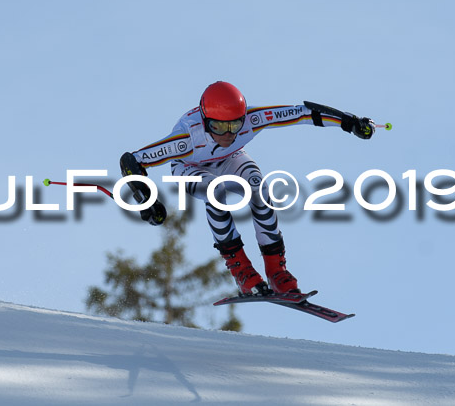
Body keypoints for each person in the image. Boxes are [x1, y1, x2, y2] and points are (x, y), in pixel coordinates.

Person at [119, 81, 374, 296]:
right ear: (206, 120)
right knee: (215, 193)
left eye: (235, 125)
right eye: (219, 127)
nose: (228, 133)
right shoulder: (186, 138)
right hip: (190, 166)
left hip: (231, 158)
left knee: (259, 190)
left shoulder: (252, 119)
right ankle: (240, 268)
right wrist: (147, 200)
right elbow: (132, 161)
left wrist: (349, 122)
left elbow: (303, 113)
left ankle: (277, 271)